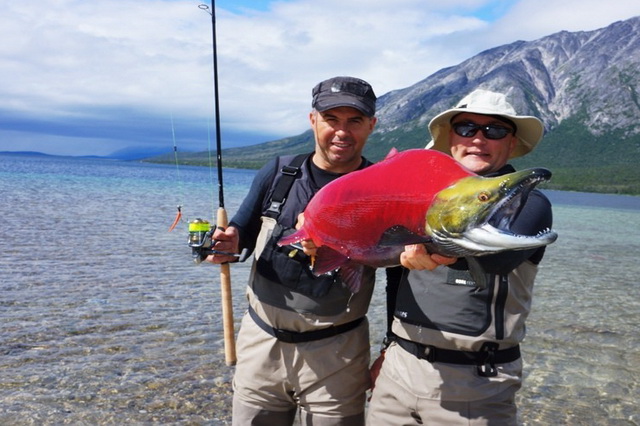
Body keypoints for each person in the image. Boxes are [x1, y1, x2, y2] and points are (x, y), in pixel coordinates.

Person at [208, 76, 445, 426]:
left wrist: (389, 351)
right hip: (261, 344)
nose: (342, 132)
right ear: (313, 120)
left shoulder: (385, 189)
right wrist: (227, 243)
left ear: (372, 125)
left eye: (355, 121)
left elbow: (399, 280)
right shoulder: (279, 173)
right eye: (332, 119)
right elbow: (242, 231)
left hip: (338, 355)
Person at [367, 89, 554, 425]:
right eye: (466, 127)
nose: (478, 138)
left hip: (476, 381)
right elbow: (397, 277)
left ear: (511, 143)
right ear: (451, 138)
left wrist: (425, 245)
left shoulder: (530, 204)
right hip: (398, 369)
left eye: (494, 130)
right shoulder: (420, 198)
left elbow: (496, 260)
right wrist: (388, 348)